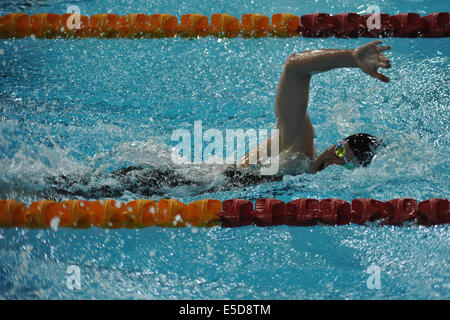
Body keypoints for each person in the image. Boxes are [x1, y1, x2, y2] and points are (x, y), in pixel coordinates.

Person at [235, 40, 390, 176]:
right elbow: (294, 68)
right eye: (339, 150)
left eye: (346, 164)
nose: (333, 161)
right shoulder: (298, 152)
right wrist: (351, 57)